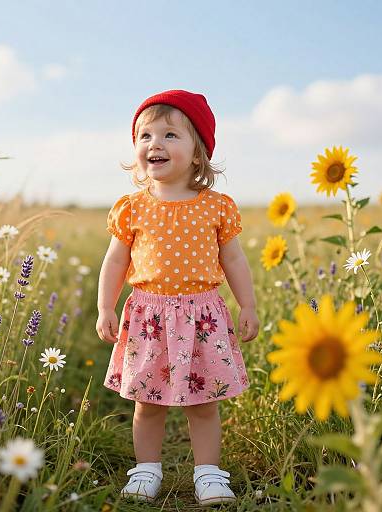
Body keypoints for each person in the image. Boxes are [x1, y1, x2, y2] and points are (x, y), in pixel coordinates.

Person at [96, 89, 259, 506]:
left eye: (170, 135)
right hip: (148, 315)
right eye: (145, 135)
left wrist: (249, 305)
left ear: (198, 151)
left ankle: (209, 474)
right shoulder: (132, 207)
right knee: (146, 403)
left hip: (202, 317)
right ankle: (146, 470)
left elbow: (235, 260)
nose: (155, 144)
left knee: (204, 403)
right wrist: (105, 307)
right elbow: (115, 262)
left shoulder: (216, 206)